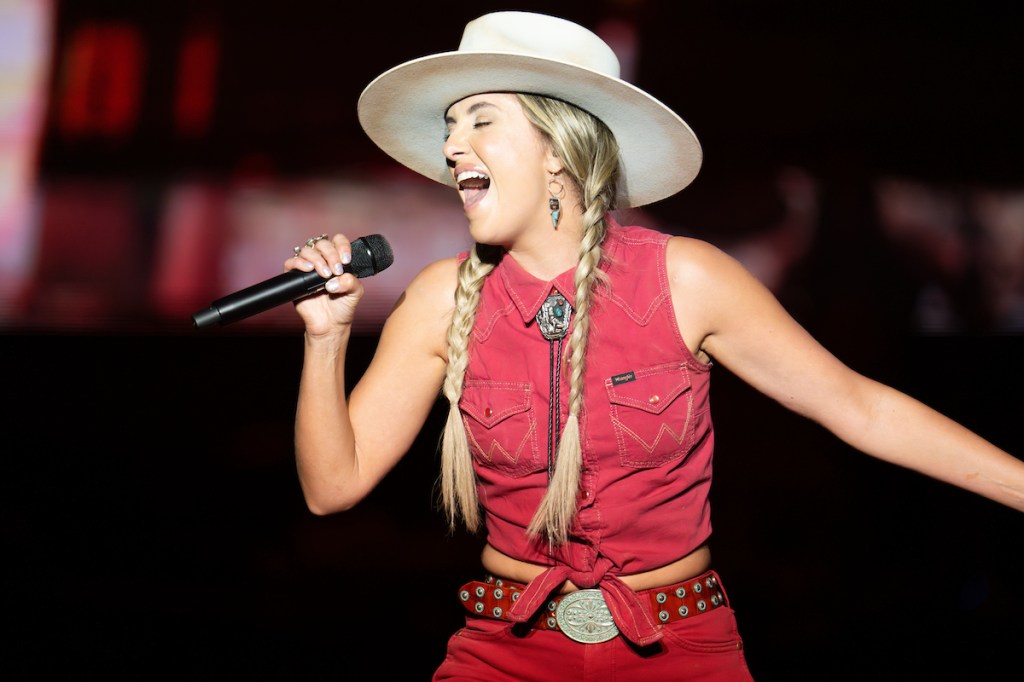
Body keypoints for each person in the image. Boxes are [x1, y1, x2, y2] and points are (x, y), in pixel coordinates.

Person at [283, 11, 1024, 681]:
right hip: (506, 650)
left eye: (481, 120)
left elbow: (860, 407)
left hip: (679, 650)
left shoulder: (686, 278)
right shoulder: (442, 298)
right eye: (450, 127)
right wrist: (326, 337)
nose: (451, 146)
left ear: (557, 149)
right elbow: (331, 488)